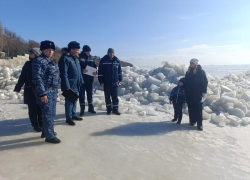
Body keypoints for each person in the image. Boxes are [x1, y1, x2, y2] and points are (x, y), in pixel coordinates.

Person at [32, 40, 61, 143]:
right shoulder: (39, 61)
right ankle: (49, 136)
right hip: (45, 91)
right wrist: (42, 93)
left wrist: (56, 89)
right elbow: (37, 78)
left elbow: (56, 76)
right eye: (48, 50)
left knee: (51, 113)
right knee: (48, 113)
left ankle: (46, 131)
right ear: (43, 50)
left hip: (52, 90)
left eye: (52, 50)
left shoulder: (52, 61)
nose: (50, 52)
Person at [14, 48, 43, 132]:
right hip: (30, 90)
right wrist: (18, 87)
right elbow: (22, 76)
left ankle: (41, 123)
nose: (30, 55)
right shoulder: (28, 64)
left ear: (37, 54)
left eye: (32, 53)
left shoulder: (41, 63)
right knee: (32, 108)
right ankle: (35, 125)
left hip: (40, 90)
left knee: (40, 108)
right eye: (30, 53)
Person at [59, 41, 84, 126]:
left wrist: (81, 80)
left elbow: (79, 71)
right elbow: (64, 73)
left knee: (75, 100)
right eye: (77, 49)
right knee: (69, 101)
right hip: (70, 84)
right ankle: (68, 118)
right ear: (72, 49)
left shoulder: (76, 58)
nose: (78, 51)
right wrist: (67, 85)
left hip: (76, 83)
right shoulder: (65, 58)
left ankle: (74, 115)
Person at [185, 58, 208, 131]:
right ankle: (192, 121)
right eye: (190, 63)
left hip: (197, 93)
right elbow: (185, 81)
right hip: (189, 93)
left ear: (196, 64)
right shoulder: (188, 71)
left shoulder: (201, 72)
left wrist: (204, 92)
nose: (191, 64)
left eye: (193, 63)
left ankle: (199, 124)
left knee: (198, 109)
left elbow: (204, 82)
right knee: (190, 108)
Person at [98, 48, 123, 115]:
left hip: (115, 82)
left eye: (112, 53)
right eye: (110, 53)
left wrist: (120, 80)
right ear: (108, 53)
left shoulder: (116, 60)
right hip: (106, 82)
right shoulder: (103, 60)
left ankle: (115, 110)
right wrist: (101, 81)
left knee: (115, 97)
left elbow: (119, 72)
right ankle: (109, 110)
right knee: (107, 97)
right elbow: (100, 72)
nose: (111, 54)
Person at [78, 45, 97, 116]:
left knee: (90, 95)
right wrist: (82, 70)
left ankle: (91, 108)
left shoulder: (92, 58)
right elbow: (77, 68)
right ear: (84, 51)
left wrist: (96, 72)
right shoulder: (79, 57)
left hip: (90, 80)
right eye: (87, 51)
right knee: (82, 96)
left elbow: (95, 67)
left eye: (89, 51)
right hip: (82, 80)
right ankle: (82, 110)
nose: (89, 53)